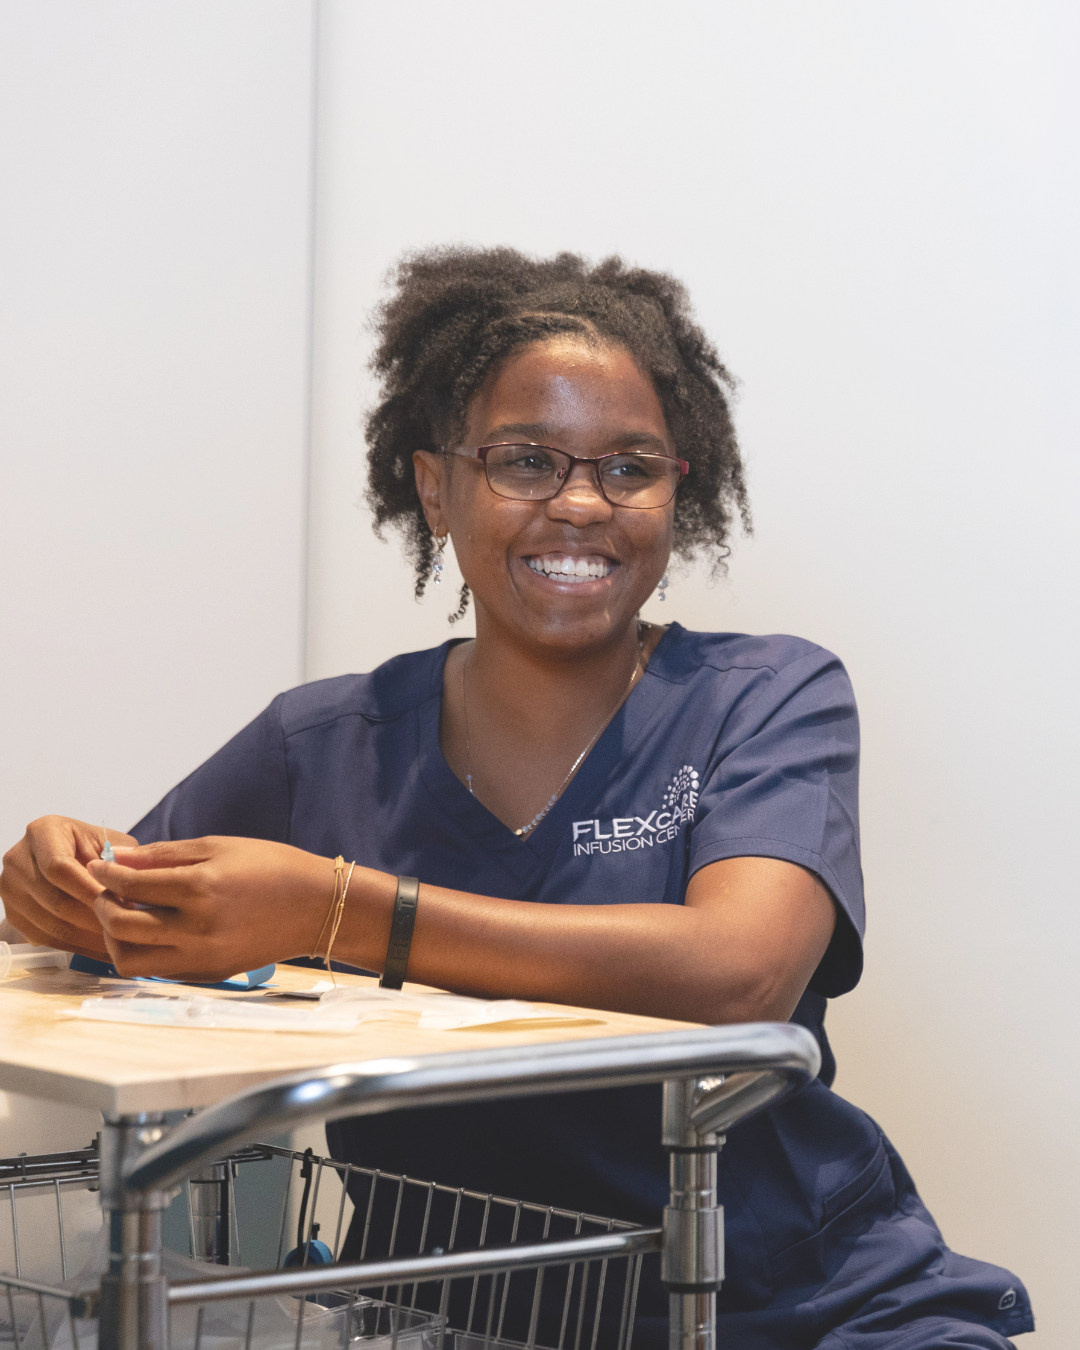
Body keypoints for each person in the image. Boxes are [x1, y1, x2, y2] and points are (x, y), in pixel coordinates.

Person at [1, 249, 1032, 1349]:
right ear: (437, 488)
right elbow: (121, 911)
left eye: (630, 467)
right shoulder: (326, 745)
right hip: (457, 1310)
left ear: (680, 493)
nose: (582, 502)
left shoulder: (765, 696)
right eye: (526, 460)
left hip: (801, 1305)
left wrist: (339, 911)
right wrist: (58, 880)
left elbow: (741, 971)